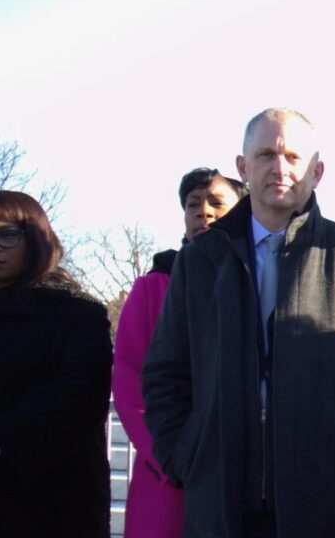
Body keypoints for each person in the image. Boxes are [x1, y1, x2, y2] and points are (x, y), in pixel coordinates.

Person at [142, 108, 335, 538]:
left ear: (318, 171)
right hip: (220, 502)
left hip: (326, 501)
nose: (280, 168)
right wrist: (186, 455)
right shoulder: (199, 262)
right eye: (267, 154)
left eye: (293, 156)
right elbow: (166, 372)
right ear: (242, 167)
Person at [113, 167, 245, 538]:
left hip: (243, 475)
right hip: (168, 475)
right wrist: (168, 457)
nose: (204, 211)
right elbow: (129, 381)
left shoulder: (263, 279)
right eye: (193, 204)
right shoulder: (153, 287)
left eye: (218, 202)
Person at [0, 190, 113, 537]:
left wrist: (6, 438)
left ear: (35, 239)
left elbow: (79, 394)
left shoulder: (75, 311)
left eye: (7, 234)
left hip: (55, 499)